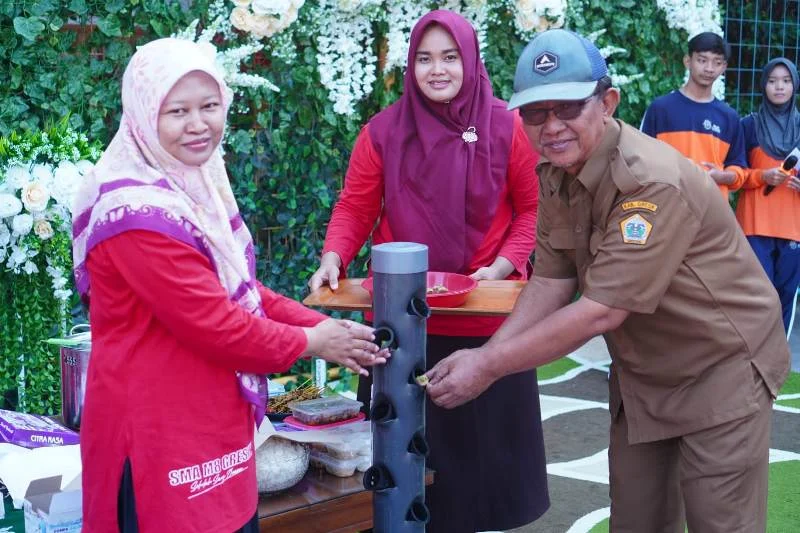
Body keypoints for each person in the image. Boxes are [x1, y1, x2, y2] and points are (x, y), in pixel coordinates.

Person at [425, 28, 790, 532]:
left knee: (720, 524)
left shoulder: (649, 180)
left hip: (721, 367)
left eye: (568, 108)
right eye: (535, 113)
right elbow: (552, 281)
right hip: (645, 372)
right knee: (637, 523)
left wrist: (487, 365)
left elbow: (602, 309)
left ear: (607, 102)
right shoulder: (556, 173)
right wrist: (490, 358)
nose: (551, 126)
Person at [71, 38, 386, 533]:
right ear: (143, 112)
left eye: (209, 106)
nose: (198, 125)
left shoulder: (194, 180)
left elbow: (244, 292)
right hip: (158, 426)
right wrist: (314, 342)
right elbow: (216, 325)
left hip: (213, 413)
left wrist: (327, 329)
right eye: (177, 111)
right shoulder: (136, 212)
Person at [307, 10, 549, 533]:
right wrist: (333, 257)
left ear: (471, 60)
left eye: (449, 57)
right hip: (400, 326)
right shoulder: (383, 131)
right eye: (424, 58)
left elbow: (533, 210)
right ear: (409, 64)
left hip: (486, 322)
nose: (436, 69)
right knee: (403, 472)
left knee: (478, 482)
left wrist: (502, 267)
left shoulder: (508, 126)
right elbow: (354, 206)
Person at [641, 31, 747, 198]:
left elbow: (739, 169)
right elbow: (641, 159)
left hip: (711, 210)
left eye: (717, 62)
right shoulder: (660, 108)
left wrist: (722, 176)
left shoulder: (729, 117)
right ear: (687, 61)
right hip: (667, 205)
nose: (709, 68)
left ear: (724, 67)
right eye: (702, 60)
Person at [736, 57, 800, 333]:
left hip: (793, 227)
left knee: (785, 295)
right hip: (754, 224)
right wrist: (763, 176)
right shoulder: (748, 125)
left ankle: (776, 359)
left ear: (795, 85)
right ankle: (749, 354)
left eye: (786, 81)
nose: (779, 87)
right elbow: (735, 173)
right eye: (772, 81)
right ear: (763, 85)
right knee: (755, 295)